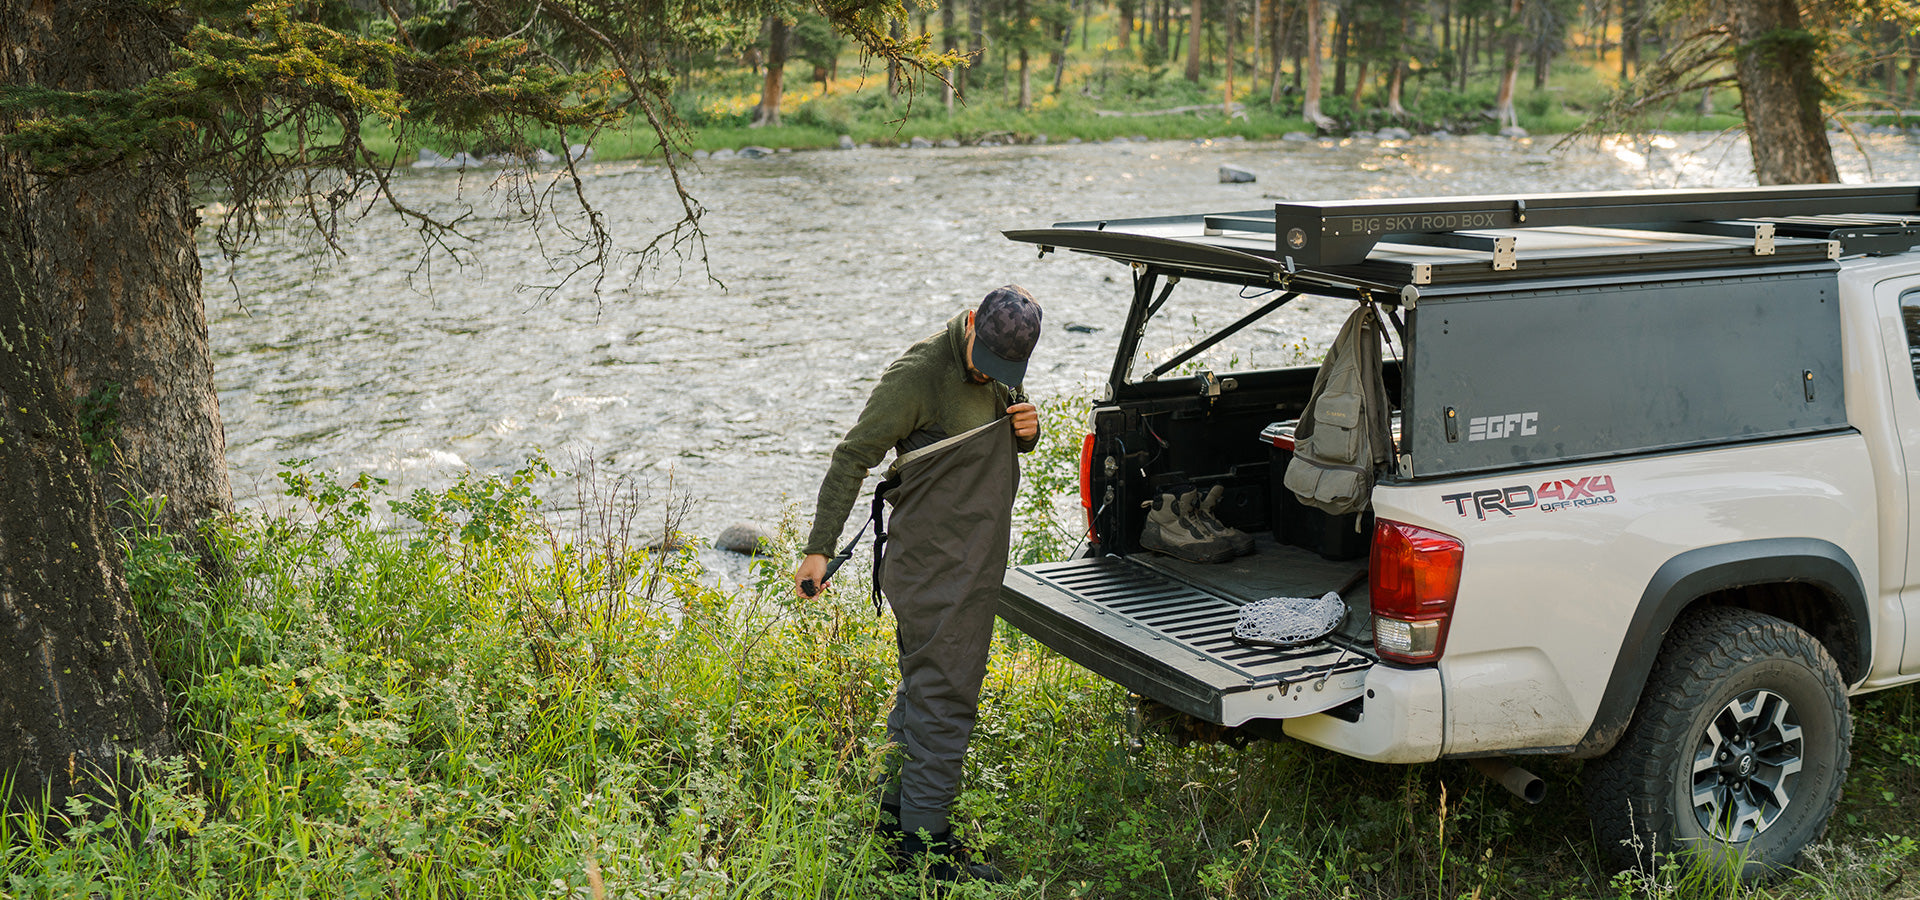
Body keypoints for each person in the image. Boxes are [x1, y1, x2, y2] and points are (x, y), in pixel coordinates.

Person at [794, 285, 1043, 884]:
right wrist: (818, 549)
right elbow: (853, 456)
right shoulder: (918, 377)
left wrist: (1029, 431)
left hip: (973, 559)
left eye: (1009, 372)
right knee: (945, 698)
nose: (996, 377)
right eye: (990, 364)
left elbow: (1008, 433)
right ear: (972, 326)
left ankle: (890, 819)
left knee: (921, 689)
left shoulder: (1000, 364)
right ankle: (925, 851)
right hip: (934, 565)